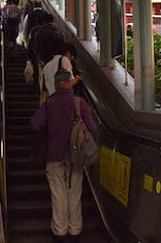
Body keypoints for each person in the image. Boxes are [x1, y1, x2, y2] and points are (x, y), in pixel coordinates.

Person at [30, 71, 98, 242]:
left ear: (56, 84)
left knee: (58, 192)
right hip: (76, 157)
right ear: (70, 82)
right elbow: (93, 128)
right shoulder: (79, 103)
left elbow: (35, 124)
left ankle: (60, 231)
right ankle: (75, 230)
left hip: (54, 155)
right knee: (74, 192)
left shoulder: (49, 103)